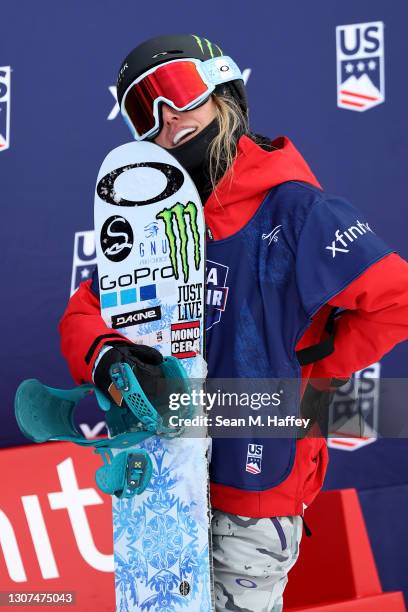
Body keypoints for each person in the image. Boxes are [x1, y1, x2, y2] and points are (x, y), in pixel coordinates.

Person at [59, 34, 408, 611]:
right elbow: (83, 313)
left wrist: (307, 370)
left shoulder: (296, 210)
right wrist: (109, 355)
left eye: (178, 92)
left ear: (223, 92)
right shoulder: (153, 221)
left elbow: (395, 300)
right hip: (166, 484)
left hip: (252, 488)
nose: (171, 120)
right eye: (146, 111)